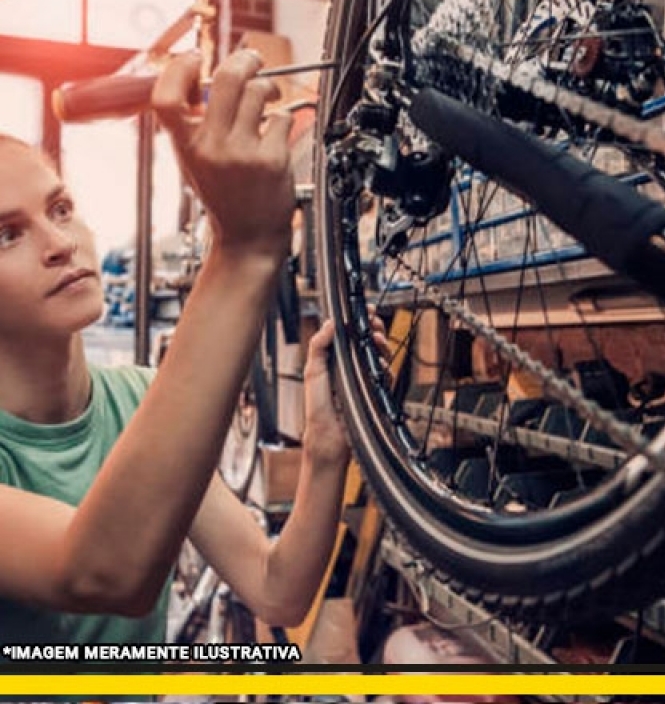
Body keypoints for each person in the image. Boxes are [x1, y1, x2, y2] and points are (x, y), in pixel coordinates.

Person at [0, 48, 386, 644]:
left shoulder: (136, 402)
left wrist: (326, 448)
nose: (60, 243)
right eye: (7, 235)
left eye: (61, 209)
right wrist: (243, 247)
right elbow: (103, 573)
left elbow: (276, 589)